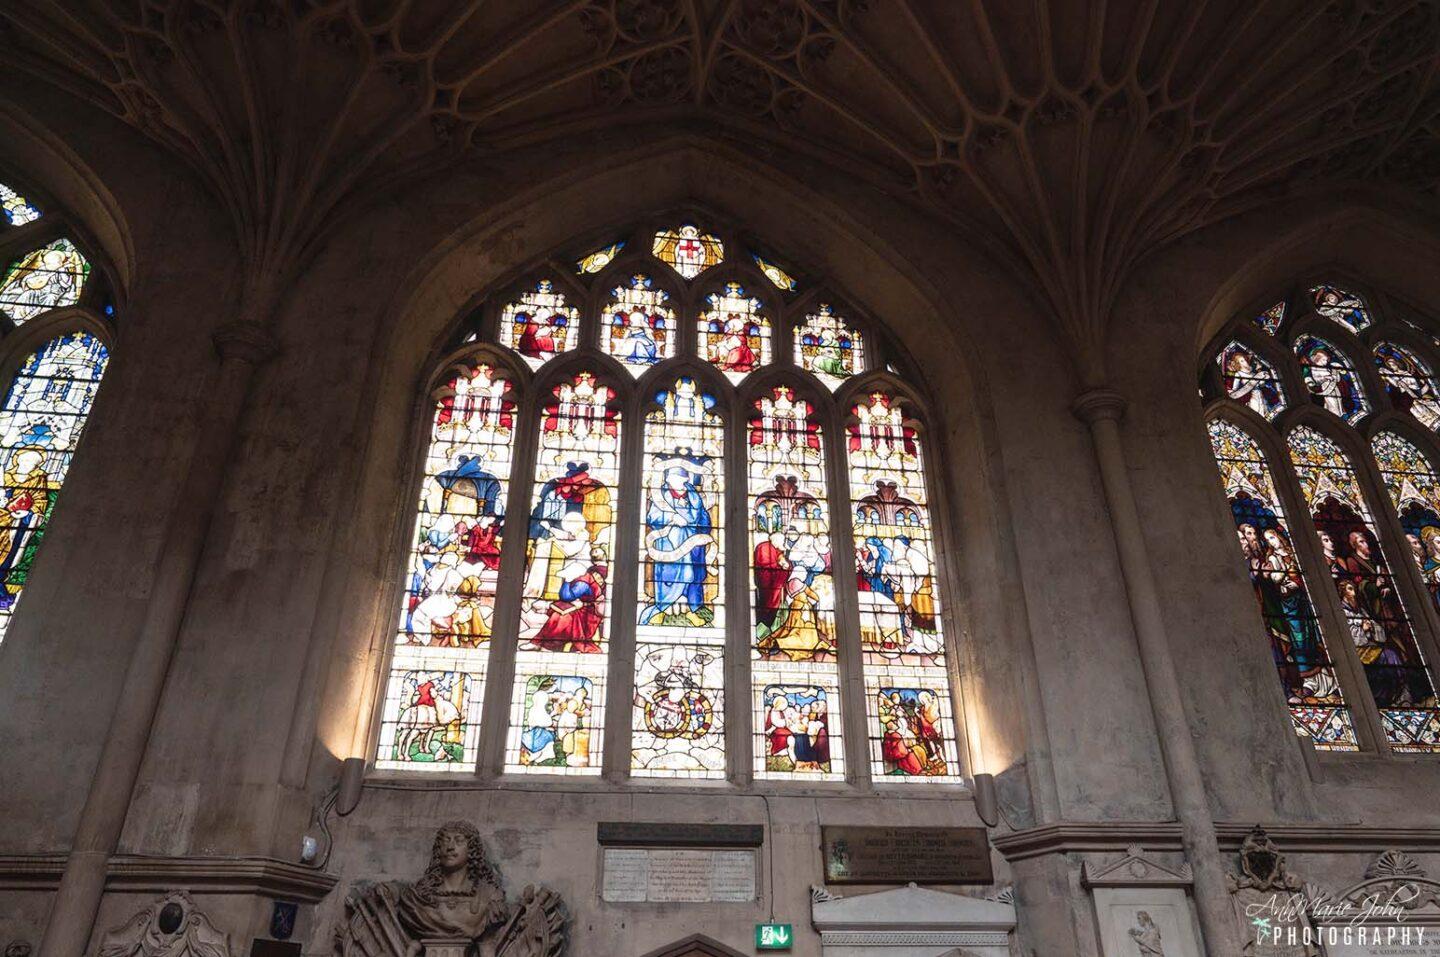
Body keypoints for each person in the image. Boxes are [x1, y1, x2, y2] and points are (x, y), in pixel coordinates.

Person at [640, 458, 714, 626]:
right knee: (675, 575)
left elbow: (703, 518)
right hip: (669, 544)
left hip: (692, 543)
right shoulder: (661, 497)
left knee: (693, 575)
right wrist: (672, 517)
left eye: (679, 479)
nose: (675, 482)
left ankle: (691, 610)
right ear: (667, 480)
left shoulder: (694, 497)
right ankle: (664, 609)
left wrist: (701, 528)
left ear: (686, 479)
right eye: (672, 479)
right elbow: (652, 517)